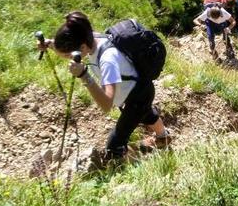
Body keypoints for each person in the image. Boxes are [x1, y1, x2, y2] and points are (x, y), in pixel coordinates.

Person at [38, 11, 171, 161]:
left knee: (114, 146)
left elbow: (107, 104)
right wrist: (50, 44)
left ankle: (132, 168)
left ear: (82, 48)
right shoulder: (91, 39)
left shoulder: (108, 59)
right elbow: (72, 46)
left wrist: (84, 75)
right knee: (146, 114)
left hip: (137, 96)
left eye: (69, 55)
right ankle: (163, 138)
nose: (68, 58)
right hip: (138, 89)